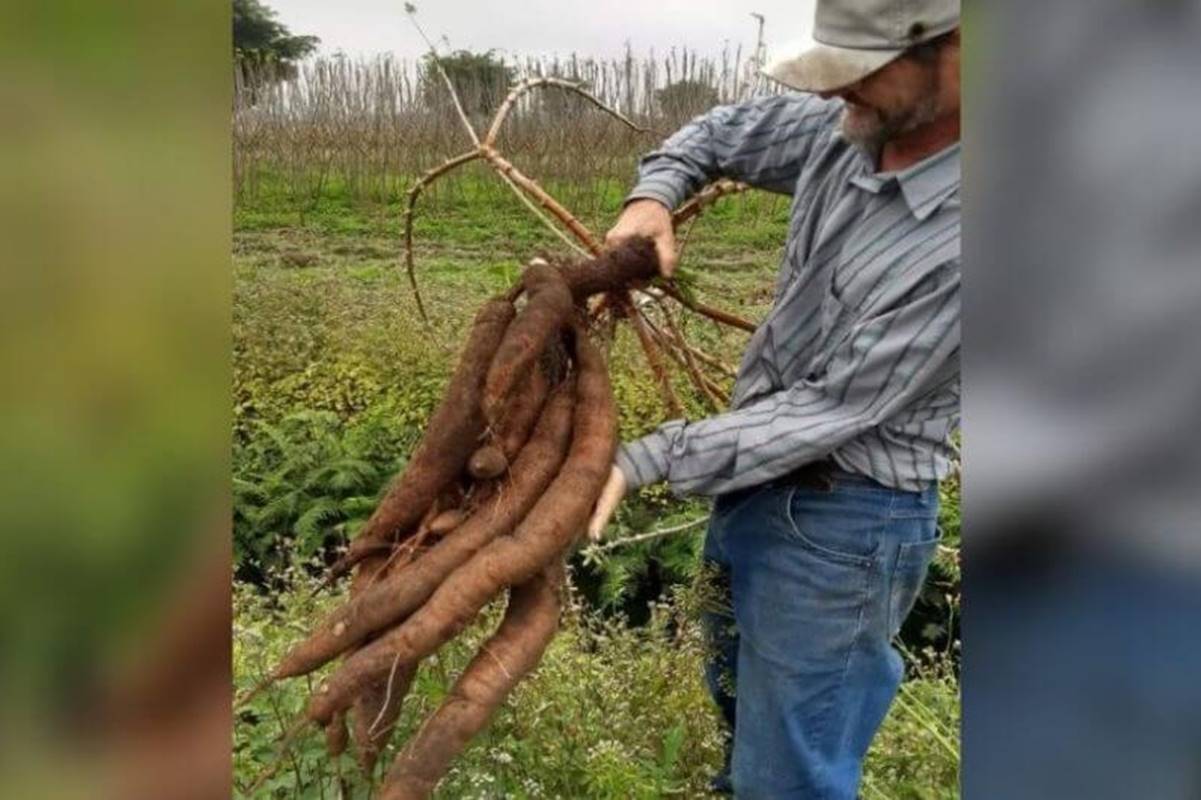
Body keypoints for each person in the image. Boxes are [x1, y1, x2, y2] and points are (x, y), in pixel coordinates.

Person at [587, 1, 961, 797]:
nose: (835, 92)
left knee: (788, 776)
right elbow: (720, 134)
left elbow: (832, 408)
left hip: (847, 525)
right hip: (753, 489)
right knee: (748, 735)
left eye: (861, 70)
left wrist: (644, 459)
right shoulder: (853, 125)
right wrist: (652, 195)